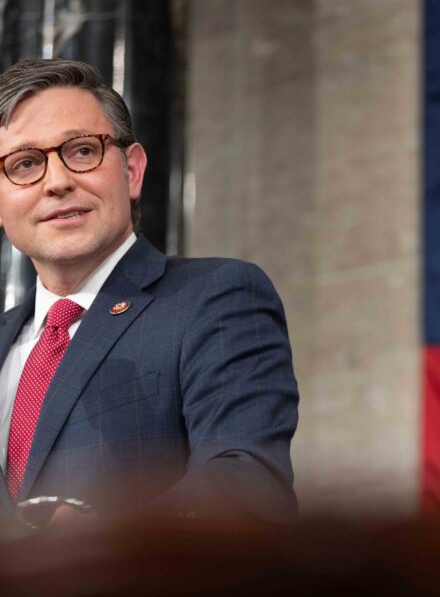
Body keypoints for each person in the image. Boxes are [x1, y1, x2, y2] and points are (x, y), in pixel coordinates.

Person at [0, 58, 298, 529]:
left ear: (132, 171)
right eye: (25, 164)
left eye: (81, 152)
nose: (57, 182)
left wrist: (102, 541)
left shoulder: (214, 297)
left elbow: (246, 487)